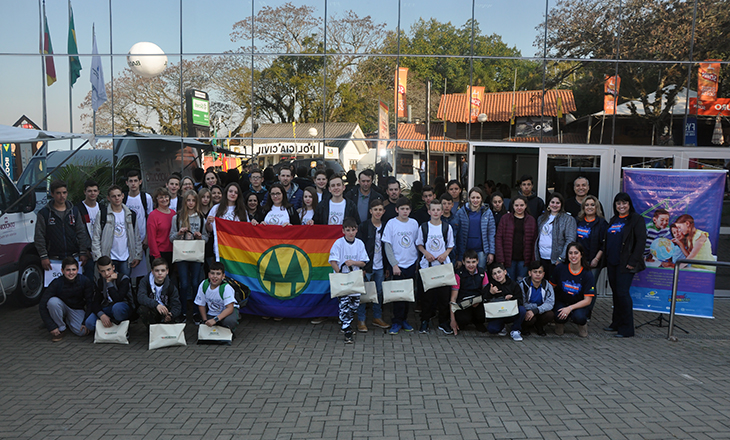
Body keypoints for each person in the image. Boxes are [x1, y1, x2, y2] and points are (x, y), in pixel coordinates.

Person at [604, 193, 646, 338]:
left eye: (624, 203)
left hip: (626, 264)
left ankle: (627, 329)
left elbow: (640, 242)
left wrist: (632, 262)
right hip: (612, 262)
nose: (621, 206)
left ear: (629, 204)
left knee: (623, 294)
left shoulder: (636, 219)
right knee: (616, 294)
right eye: (618, 203)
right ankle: (616, 323)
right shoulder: (613, 220)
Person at [415, 199, 455, 334]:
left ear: (442, 212)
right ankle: (425, 320)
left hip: (443, 266)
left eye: (438, 210)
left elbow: (450, 245)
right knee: (427, 297)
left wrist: (445, 254)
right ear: (429, 211)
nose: (436, 212)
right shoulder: (424, 227)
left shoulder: (446, 227)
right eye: (433, 210)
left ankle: (443, 322)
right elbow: (419, 244)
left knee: (444, 297)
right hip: (428, 267)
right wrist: (425, 253)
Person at [382, 197, 419, 335]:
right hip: (398, 265)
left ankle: (404, 320)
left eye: (407, 209)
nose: (405, 211)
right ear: (397, 209)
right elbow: (387, 245)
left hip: (411, 264)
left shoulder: (414, 223)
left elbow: (417, 244)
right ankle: (396, 321)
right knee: (397, 295)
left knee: (407, 295)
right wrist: (394, 265)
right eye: (402, 209)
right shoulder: (391, 224)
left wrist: (416, 263)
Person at [34, 180, 90, 272]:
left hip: (73, 257)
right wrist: (43, 256)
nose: (62, 196)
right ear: (52, 194)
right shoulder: (44, 213)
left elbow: (81, 232)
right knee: (55, 286)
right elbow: (39, 236)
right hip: (53, 259)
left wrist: (83, 252)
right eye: (58, 193)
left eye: (64, 193)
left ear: (67, 193)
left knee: (75, 285)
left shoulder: (74, 211)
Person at [329, 217, 369, 344]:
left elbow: (363, 262)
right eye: (348, 230)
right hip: (343, 277)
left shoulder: (360, 244)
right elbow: (333, 261)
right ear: (343, 231)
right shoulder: (338, 243)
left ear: (356, 230)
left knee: (354, 304)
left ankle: (346, 321)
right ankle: (347, 330)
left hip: (355, 278)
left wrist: (353, 262)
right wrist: (339, 274)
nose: (351, 233)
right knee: (344, 304)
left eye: (353, 230)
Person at [170, 190, 208, 318]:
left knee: (196, 283)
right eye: (188, 200)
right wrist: (179, 233)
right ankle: (183, 311)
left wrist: (200, 236)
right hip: (182, 253)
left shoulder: (201, 217)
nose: (191, 203)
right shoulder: (177, 217)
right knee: (184, 283)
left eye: (193, 200)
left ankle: (197, 311)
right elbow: (171, 238)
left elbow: (206, 237)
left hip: (196, 253)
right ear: (184, 202)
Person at [91, 185, 143, 278]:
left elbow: (136, 236)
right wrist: (99, 258)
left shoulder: (130, 214)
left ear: (123, 196)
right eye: (113, 196)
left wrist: (137, 255)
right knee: (108, 285)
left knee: (124, 285)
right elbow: (96, 237)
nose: (117, 198)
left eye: (119, 195)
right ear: (108, 198)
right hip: (108, 257)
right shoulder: (102, 214)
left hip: (126, 258)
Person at [39, 257, 94, 341]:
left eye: (73, 269)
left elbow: (90, 302)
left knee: (82, 332)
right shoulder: (56, 283)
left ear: (78, 269)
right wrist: (51, 326)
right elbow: (42, 305)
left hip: (77, 308)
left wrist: (85, 322)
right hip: (61, 306)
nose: (71, 273)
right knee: (52, 302)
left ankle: (67, 320)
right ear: (62, 270)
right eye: (68, 270)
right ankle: (61, 328)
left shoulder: (84, 281)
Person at [355, 199, 390, 332]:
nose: (378, 212)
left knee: (379, 293)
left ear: (384, 212)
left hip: (381, 266)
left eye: (380, 210)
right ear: (370, 211)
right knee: (363, 294)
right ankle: (361, 320)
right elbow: (359, 248)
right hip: (367, 266)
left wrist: (387, 267)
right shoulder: (363, 226)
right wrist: (362, 267)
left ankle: (377, 317)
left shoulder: (386, 226)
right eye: (375, 210)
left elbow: (388, 248)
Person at [551, 242, 595, 337]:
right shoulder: (560, 268)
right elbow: (551, 287)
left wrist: (569, 308)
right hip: (561, 301)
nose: (573, 256)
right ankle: (559, 324)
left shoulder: (587, 274)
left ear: (581, 254)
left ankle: (582, 325)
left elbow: (588, 300)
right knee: (559, 315)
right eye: (570, 253)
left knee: (579, 317)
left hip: (578, 304)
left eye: (576, 253)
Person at [575, 195, 608, 319]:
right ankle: (578, 312)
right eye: (587, 205)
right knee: (578, 286)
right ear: (583, 207)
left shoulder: (602, 223)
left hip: (594, 261)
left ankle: (587, 314)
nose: (589, 207)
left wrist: (596, 259)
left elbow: (604, 244)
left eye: (592, 205)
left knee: (590, 288)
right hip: (578, 260)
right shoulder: (578, 220)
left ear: (597, 207)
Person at [84, 256, 134, 333]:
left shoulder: (123, 279)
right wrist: (101, 315)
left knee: (117, 308)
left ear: (113, 267)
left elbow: (118, 299)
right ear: (99, 271)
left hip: (122, 307)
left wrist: (109, 283)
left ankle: (122, 328)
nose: (106, 273)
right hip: (107, 307)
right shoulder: (99, 282)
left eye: (108, 270)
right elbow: (95, 301)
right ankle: (110, 327)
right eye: (103, 271)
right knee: (89, 322)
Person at [535, 192, 577, 281]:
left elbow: (570, 240)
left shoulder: (568, 219)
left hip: (556, 260)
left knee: (555, 285)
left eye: (558, 203)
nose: (555, 205)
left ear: (561, 205)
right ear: (549, 204)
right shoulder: (541, 218)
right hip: (542, 258)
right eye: (552, 202)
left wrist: (561, 258)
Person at [495, 196, 537, 283]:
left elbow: (534, 241)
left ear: (526, 205)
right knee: (509, 283)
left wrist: (533, 260)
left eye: (522, 205)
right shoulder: (505, 218)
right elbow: (499, 238)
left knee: (521, 283)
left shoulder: (531, 220)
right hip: (508, 259)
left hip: (524, 259)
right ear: (512, 206)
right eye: (516, 205)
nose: (519, 208)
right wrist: (500, 259)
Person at [455, 187, 495, 271]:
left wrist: (491, 252)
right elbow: (456, 232)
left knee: (480, 274)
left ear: (481, 199)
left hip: (481, 250)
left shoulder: (487, 212)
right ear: (469, 198)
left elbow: (491, 233)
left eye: (478, 197)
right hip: (465, 250)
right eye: (473, 197)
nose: (475, 200)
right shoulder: (461, 212)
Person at [448, 249, 488, 336]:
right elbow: (453, 298)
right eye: (468, 262)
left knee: (484, 313)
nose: (471, 265)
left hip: (478, 302)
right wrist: (453, 320)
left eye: (473, 262)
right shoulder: (458, 275)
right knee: (463, 320)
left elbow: (486, 292)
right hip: (463, 304)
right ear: (463, 262)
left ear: (477, 261)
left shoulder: (482, 273)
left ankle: (478, 322)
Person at [195, 262, 239, 335]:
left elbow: (230, 308)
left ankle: (230, 331)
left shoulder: (226, 288)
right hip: (212, 312)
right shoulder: (203, 285)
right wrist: (205, 320)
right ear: (209, 275)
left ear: (223, 276)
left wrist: (215, 320)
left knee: (229, 321)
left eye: (218, 274)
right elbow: (201, 304)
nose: (215, 276)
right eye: (212, 273)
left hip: (227, 312)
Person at [484, 263, 525, 341]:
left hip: (511, 313)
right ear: (492, 276)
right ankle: (502, 327)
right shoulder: (491, 286)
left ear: (505, 272)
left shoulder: (514, 285)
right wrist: (490, 293)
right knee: (492, 329)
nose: (497, 275)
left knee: (522, 310)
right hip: (498, 314)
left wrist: (512, 298)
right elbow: (484, 300)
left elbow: (520, 300)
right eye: (494, 274)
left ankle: (515, 330)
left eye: (499, 272)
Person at [206, 182, 246, 262]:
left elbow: (246, 229)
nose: (233, 194)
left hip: (236, 248)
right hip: (220, 247)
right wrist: (208, 222)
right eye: (230, 191)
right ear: (226, 192)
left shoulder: (242, 211)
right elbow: (210, 229)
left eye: (236, 192)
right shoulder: (216, 208)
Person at [137, 258, 182, 326]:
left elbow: (177, 305)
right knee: (143, 309)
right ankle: (150, 329)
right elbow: (141, 297)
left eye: (163, 270)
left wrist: (170, 315)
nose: (160, 273)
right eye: (157, 270)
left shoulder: (171, 286)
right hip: (153, 309)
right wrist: (156, 305)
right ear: (152, 271)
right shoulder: (145, 282)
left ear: (167, 271)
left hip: (166, 312)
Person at [518, 261, 555, 336]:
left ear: (543, 274)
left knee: (550, 314)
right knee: (529, 317)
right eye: (535, 272)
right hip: (528, 310)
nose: (538, 274)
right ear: (529, 273)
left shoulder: (548, 286)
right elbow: (523, 303)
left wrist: (536, 310)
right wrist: (532, 310)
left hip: (540, 310)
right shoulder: (523, 285)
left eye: (540, 272)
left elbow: (550, 303)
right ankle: (525, 327)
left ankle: (539, 326)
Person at [76, 179, 101, 277]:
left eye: (95, 191)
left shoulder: (102, 208)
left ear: (98, 192)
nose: (92, 193)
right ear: (84, 192)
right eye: (90, 191)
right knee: (88, 277)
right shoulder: (78, 209)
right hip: (86, 251)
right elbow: (77, 231)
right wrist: (84, 250)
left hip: (100, 250)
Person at [124, 170, 153, 247]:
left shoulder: (147, 198)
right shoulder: (122, 198)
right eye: (130, 181)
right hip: (125, 237)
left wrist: (147, 237)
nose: (133, 184)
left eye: (135, 181)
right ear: (127, 183)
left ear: (140, 182)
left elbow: (150, 219)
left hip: (142, 238)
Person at [147, 187, 176, 266]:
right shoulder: (153, 215)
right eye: (161, 197)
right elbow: (151, 238)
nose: (164, 199)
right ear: (156, 199)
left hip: (173, 252)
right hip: (159, 253)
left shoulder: (174, 214)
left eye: (166, 196)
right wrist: (157, 256)